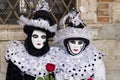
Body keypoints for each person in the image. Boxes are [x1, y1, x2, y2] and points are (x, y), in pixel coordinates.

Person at [5, 0, 62, 80]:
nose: (39, 40)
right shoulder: (17, 55)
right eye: (35, 36)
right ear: (30, 36)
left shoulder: (53, 56)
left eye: (43, 37)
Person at [53, 8, 106, 80]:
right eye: (72, 42)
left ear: (85, 44)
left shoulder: (94, 60)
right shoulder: (59, 58)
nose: (76, 46)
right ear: (66, 43)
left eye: (80, 42)